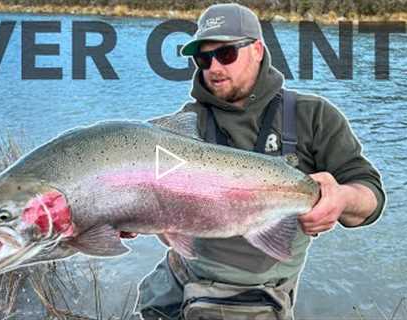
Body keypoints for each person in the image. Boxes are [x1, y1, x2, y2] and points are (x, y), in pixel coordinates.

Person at [128, 3, 386, 319]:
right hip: (177, 282)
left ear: (258, 50)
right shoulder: (182, 128)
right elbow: (142, 188)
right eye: (203, 58)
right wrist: (123, 212)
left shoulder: (313, 116)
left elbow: (370, 197)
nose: (214, 68)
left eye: (225, 54)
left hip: (260, 296)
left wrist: (341, 197)